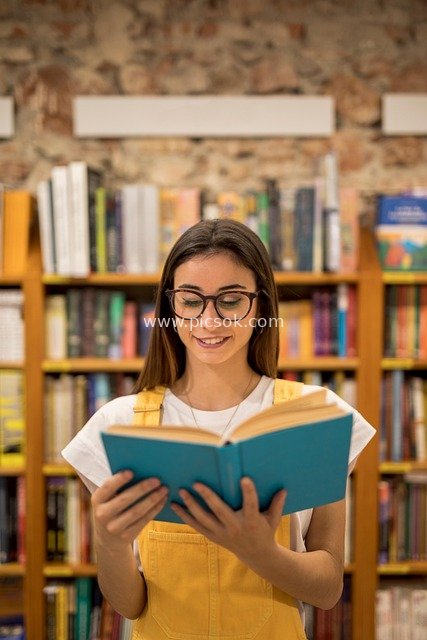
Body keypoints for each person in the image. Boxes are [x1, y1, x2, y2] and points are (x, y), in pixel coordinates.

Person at [62, 218, 375, 640]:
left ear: (261, 305)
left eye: (230, 300)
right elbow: (129, 605)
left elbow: (327, 590)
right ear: (170, 306)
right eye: (190, 301)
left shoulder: (316, 416)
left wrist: (262, 553)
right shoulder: (117, 425)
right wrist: (110, 543)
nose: (209, 321)